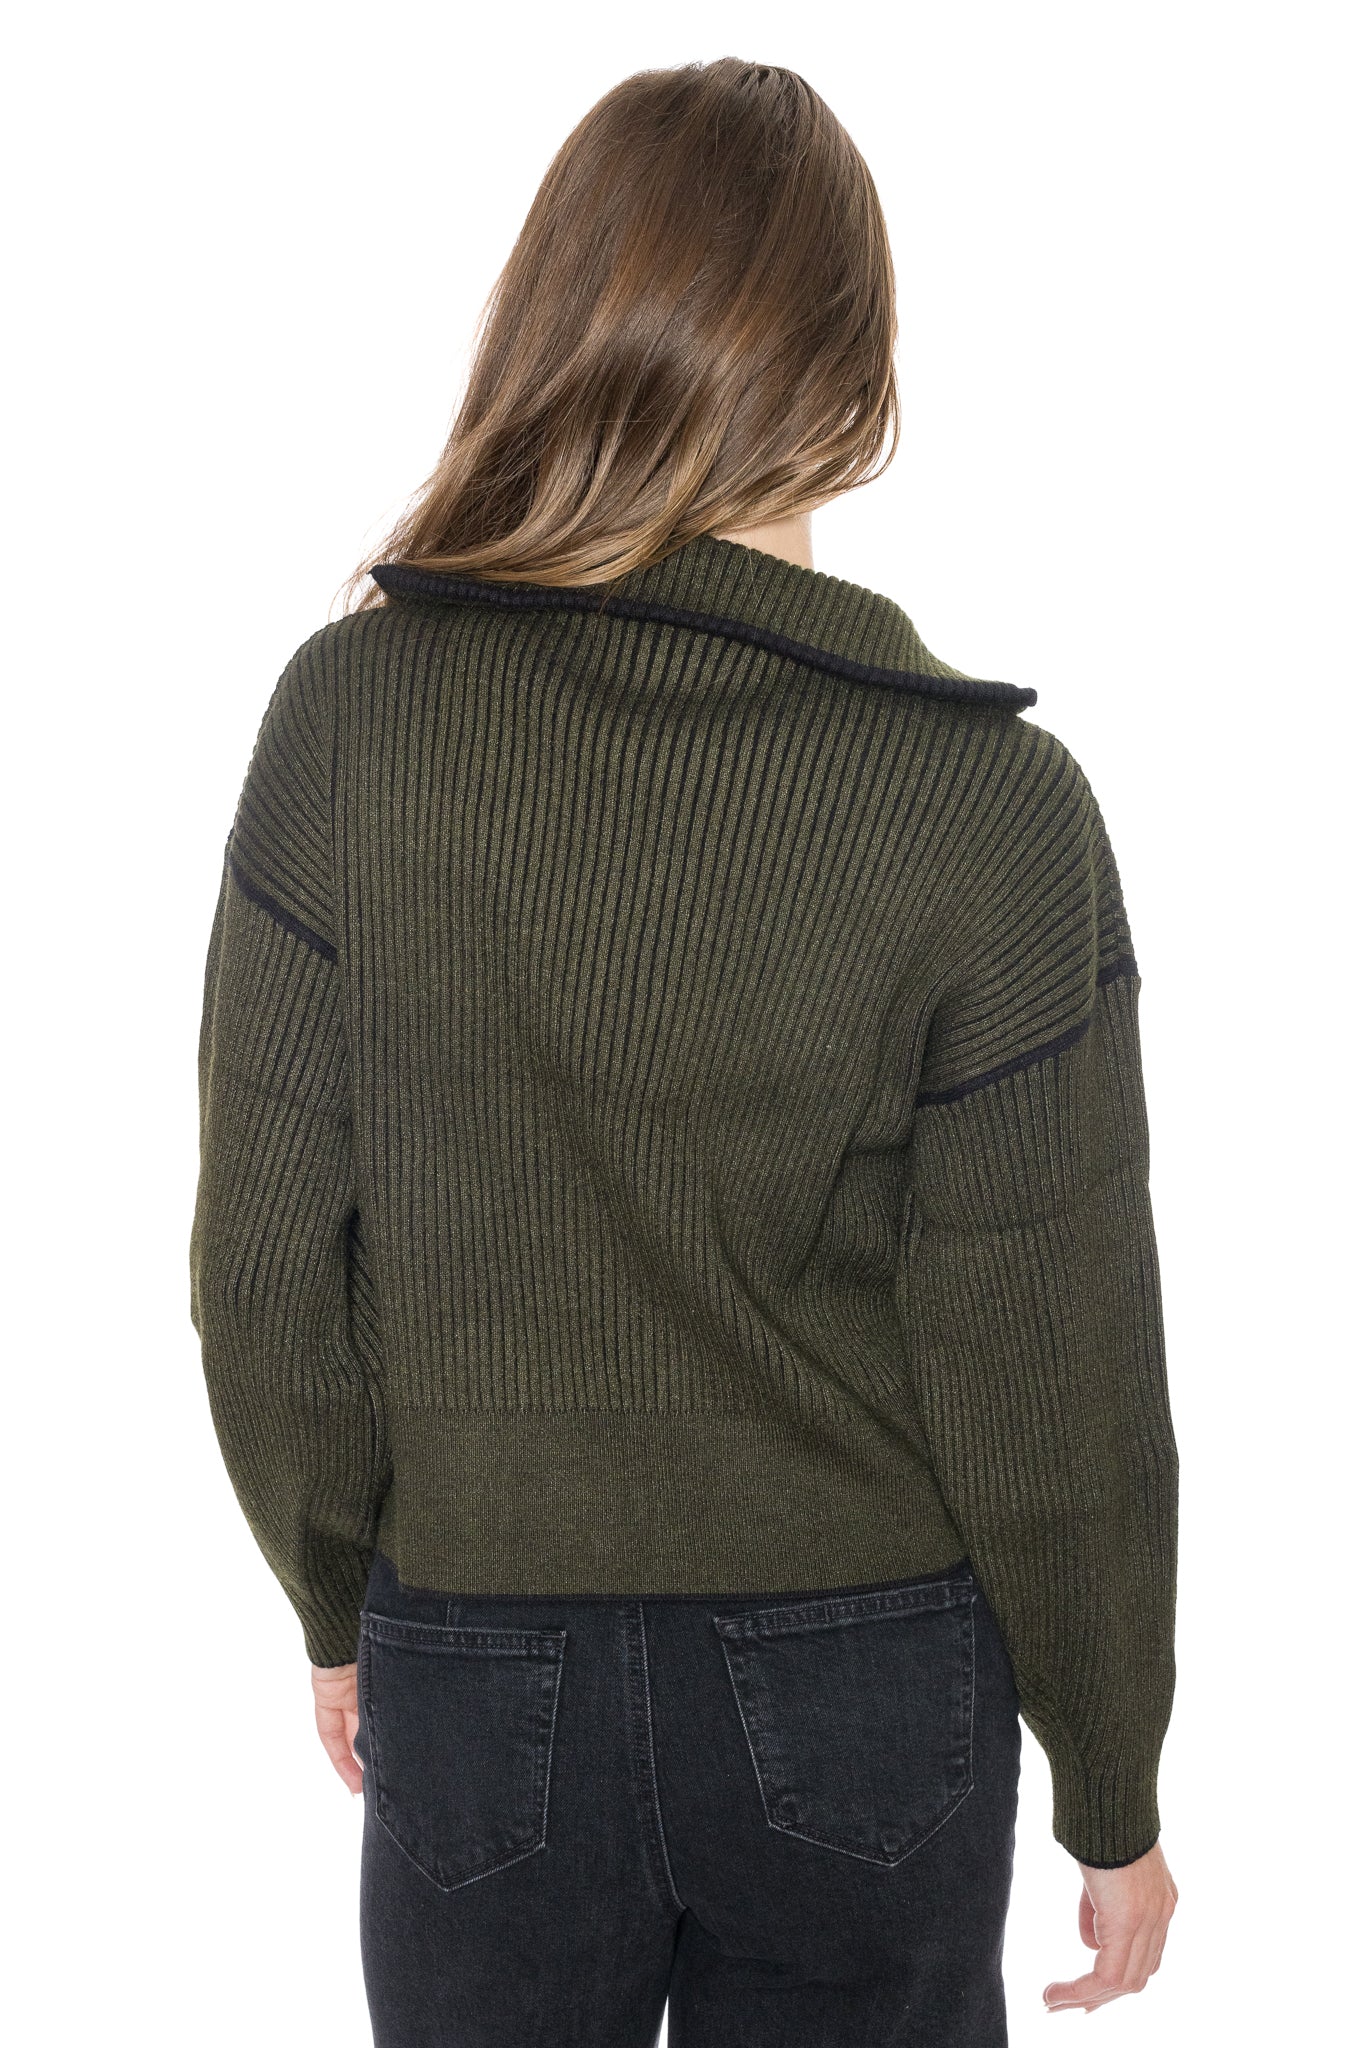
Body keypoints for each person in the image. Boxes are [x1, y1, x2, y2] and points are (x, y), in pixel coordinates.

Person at [189, 56, 1179, 2046]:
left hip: (478, 1655)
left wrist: (334, 1590)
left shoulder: (351, 722)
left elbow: (269, 1257)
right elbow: (1051, 1349)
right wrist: (1110, 1772)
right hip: (869, 1681)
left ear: (551, 318)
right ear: (854, 367)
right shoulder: (990, 806)